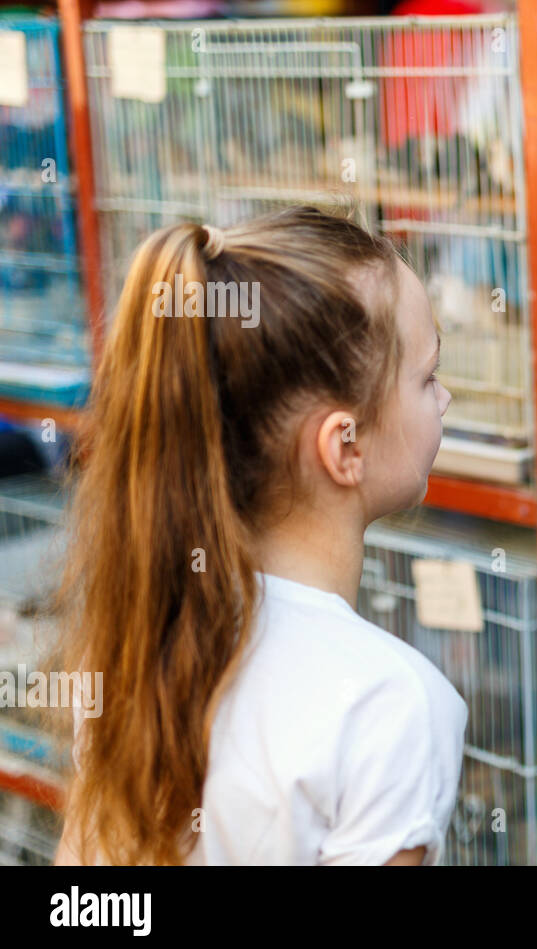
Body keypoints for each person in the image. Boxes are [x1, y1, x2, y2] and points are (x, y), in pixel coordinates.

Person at [50, 205, 467, 865]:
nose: (443, 400)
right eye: (427, 378)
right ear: (344, 446)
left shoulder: (138, 636)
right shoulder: (390, 705)